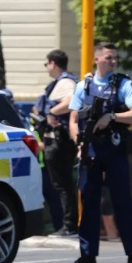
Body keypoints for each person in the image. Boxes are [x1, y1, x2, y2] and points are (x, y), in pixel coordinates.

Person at [67, 41, 132, 263]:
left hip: (114, 151)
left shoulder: (123, 84)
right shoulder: (83, 86)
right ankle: (87, 256)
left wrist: (111, 117)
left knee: (123, 202)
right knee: (89, 204)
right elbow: (73, 121)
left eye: (115, 58)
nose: (113, 61)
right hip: (90, 152)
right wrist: (79, 144)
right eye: (109, 57)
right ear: (97, 59)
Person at [34, 49, 79, 236]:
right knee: (62, 185)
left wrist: (52, 113)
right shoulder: (61, 83)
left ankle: (69, 226)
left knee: (63, 185)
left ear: (53, 63)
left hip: (59, 142)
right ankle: (68, 225)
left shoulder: (65, 82)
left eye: (47, 64)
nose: (47, 68)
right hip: (58, 141)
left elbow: (71, 101)